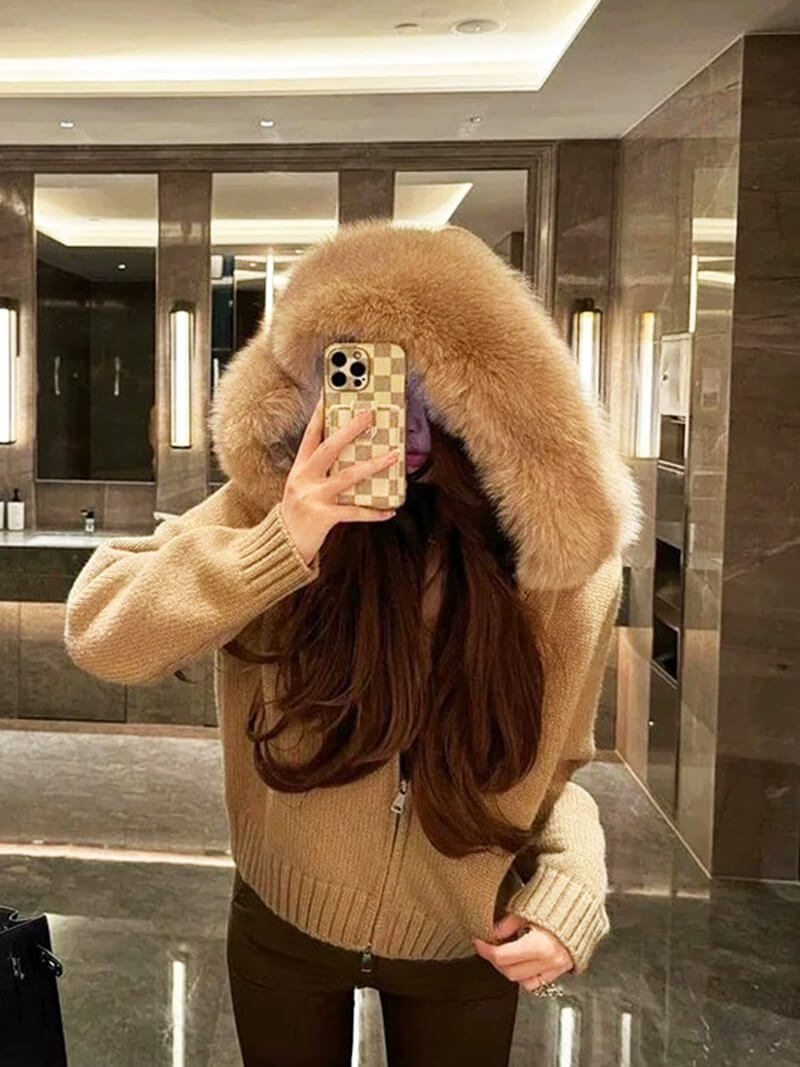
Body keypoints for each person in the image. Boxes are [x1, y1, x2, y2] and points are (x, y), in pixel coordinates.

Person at [64, 220, 642, 1067]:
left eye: (423, 380)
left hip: (465, 941)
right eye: (356, 373)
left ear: (488, 394)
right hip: (283, 928)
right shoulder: (267, 509)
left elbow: (557, 768)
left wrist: (573, 879)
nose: (392, 415)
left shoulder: (557, 568)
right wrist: (282, 541)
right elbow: (99, 632)